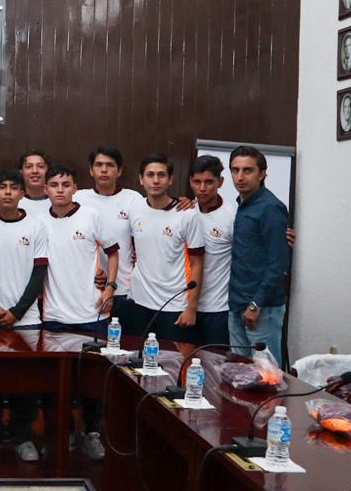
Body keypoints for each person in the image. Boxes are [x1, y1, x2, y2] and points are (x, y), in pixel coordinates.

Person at [40, 163, 118, 461]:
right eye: (54, 185)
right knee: (54, 384)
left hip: (91, 314)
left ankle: (91, 432)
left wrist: (109, 287)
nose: (60, 190)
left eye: (66, 184)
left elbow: (113, 251)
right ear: (46, 189)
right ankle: (61, 433)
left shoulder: (92, 215)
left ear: (75, 188)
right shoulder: (39, 221)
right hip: (54, 316)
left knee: (91, 384)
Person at [0, 170, 47, 463]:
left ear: (22, 193)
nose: (7, 192)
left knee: (24, 384)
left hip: (26, 320)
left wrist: (17, 311)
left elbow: (39, 273)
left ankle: (23, 437)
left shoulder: (36, 225)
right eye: (2, 187)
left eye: (13, 187)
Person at [126, 154, 206, 343]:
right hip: (138, 302)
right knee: (136, 357)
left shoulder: (187, 215)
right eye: (150, 175)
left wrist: (191, 308)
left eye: (161, 175)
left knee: (171, 359)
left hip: (173, 306)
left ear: (170, 179)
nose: (155, 180)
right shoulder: (134, 209)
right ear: (141, 179)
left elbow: (197, 263)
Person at [227, 146, 290, 367]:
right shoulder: (242, 205)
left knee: (267, 373)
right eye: (235, 170)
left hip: (261, 307)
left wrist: (256, 304)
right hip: (237, 302)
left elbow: (278, 263)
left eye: (248, 170)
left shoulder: (270, 207)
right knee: (239, 371)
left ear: (262, 174)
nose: (240, 177)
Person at [72, 146, 141, 322]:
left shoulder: (133, 199)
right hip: (87, 291)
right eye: (99, 165)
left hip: (125, 290)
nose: (104, 170)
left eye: (110, 165)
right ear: (91, 170)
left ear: (119, 171)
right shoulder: (78, 198)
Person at [186, 157, 236, 345]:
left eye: (208, 182)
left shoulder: (233, 215)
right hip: (183, 305)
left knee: (215, 360)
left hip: (217, 308)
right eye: (197, 182)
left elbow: (251, 251)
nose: (202, 188)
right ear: (190, 182)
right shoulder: (185, 211)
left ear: (220, 182)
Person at [16, 148, 52, 217]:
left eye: (40, 166)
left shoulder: (61, 200)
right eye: (29, 167)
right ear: (21, 172)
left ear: (49, 171)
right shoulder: (14, 202)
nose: (35, 171)